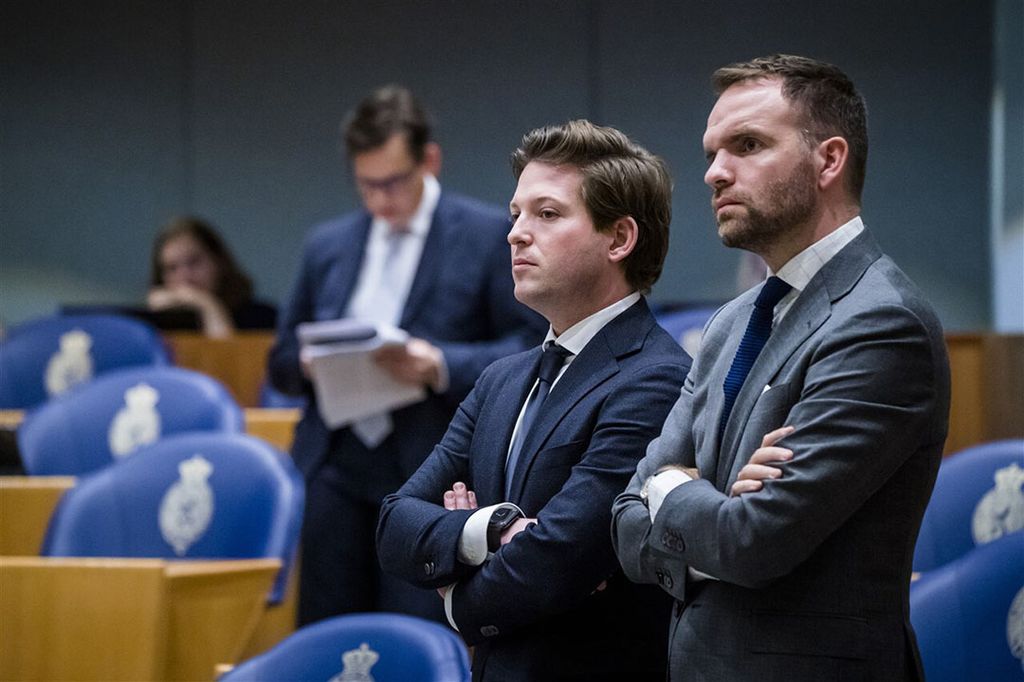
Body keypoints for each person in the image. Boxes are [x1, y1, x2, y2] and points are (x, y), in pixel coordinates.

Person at [612, 54, 951, 681]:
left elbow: (753, 540)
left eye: (747, 145)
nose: (715, 172)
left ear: (828, 159)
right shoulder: (731, 322)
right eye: (712, 152)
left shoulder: (881, 324)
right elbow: (623, 523)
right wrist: (701, 501)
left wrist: (670, 488)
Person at [377, 120, 692, 681]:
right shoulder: (501, 377)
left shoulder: (656, 378)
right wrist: (491, 532)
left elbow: (562, 558)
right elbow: (395, 523)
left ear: (619, 238)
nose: (516, 234)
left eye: (547, 214)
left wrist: (456, 599)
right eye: (516, 214)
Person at [267, 85, 545, 626]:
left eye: (393, 181)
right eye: (367, 184)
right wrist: (308, 363)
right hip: (335, 464)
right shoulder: (329, 244)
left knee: (415, 631)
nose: (380, 200)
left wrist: (438, 364)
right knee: (327, 631)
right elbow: (278, 359)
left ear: (429, 160)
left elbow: (529, 349)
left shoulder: (490, 234)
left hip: (432, 462)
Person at [148, 216, 277, 336]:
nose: (185, 276)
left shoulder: (262, 317)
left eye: (194, 262)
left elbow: (230, 357)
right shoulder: (154, 325)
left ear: (218, 261)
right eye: (172, 268)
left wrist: (207, 305)